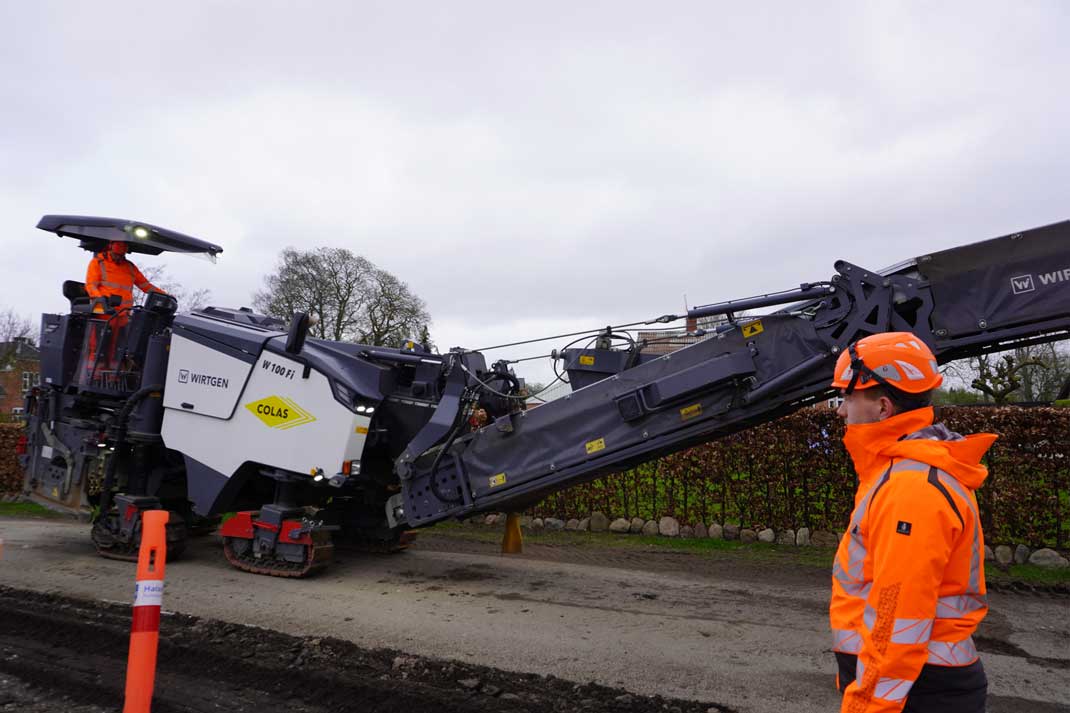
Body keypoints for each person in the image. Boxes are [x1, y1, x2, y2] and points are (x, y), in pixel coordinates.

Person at [829, 332, 994, 713]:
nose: (840, 411)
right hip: (920, 686)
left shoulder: (911, 488)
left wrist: (866, 707)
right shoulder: (907, 473)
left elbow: (895, 625)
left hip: (917, 691)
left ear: (883, 408)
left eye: (846, 398)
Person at [85, 240, 166, 316]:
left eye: (121, 255)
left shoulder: (130, 267)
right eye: (116, 254)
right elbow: (91, 285)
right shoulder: (98, 262)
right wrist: (100, 300)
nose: (118, 257)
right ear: (110, 247)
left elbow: (146, 286)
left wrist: (165, 296)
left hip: (124, 314)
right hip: (102, 312)